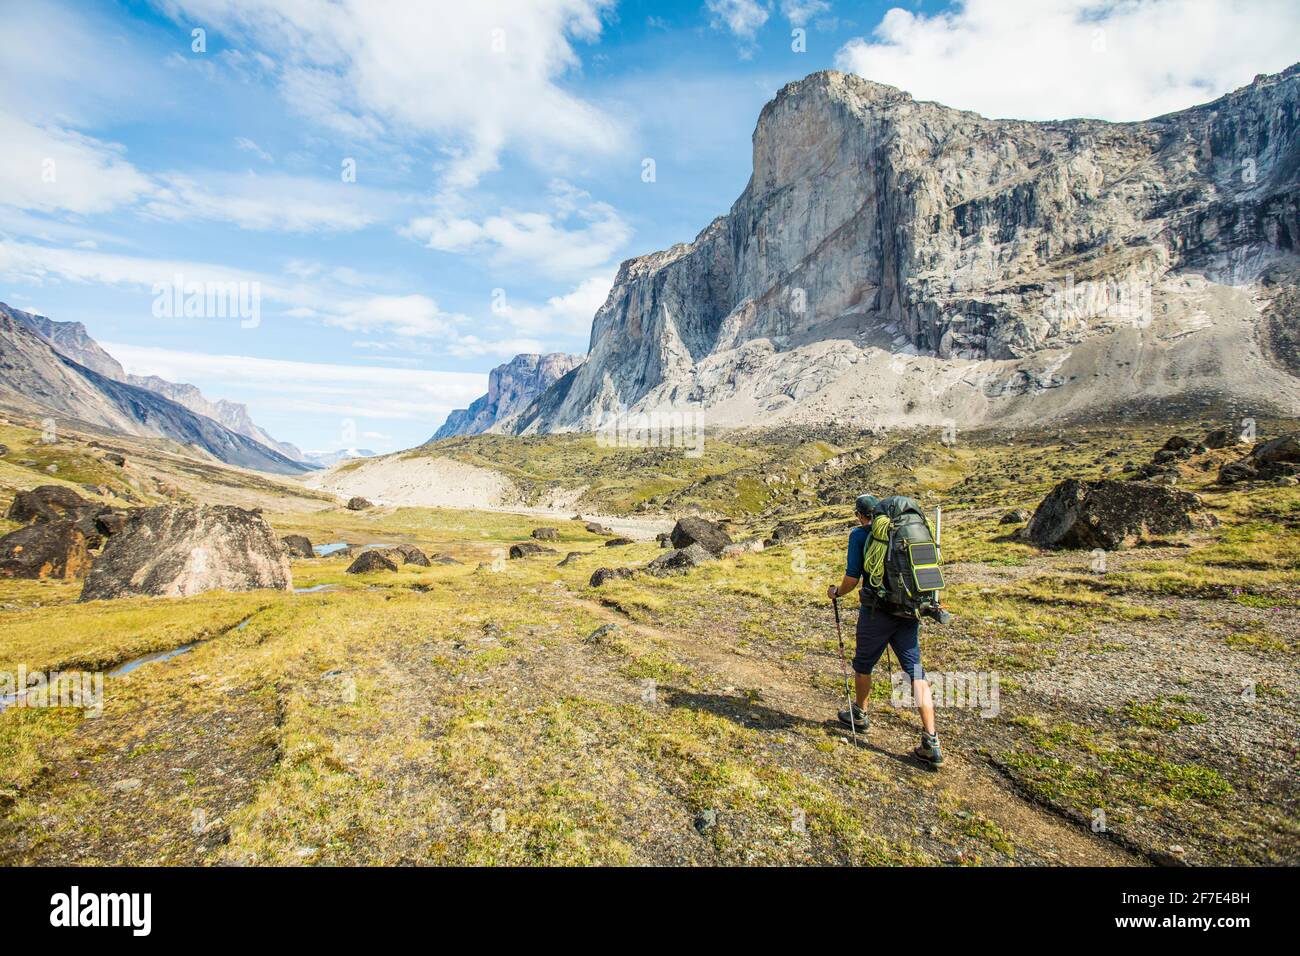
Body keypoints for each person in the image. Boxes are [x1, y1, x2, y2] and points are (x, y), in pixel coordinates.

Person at [827, 493, 943, 767]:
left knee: (864, 664)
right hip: (908, 610)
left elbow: (852, 578)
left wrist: (836, 593)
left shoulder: (859, 536)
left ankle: (860, 714)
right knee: (916, 671)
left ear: (860, 515)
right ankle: (931, 739)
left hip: (877, 612)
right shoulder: (903, 533)